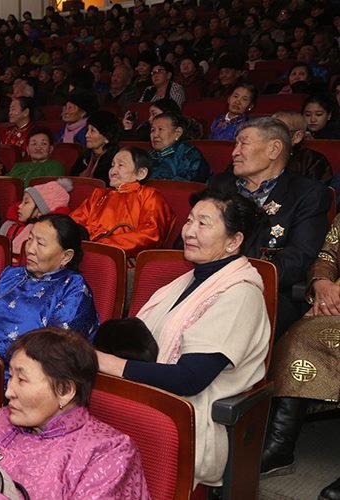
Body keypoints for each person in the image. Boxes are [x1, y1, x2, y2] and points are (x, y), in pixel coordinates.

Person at [97, 190, 271, 487]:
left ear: (234, 241)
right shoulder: (189, 280)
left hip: (186, 417)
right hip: (148, 396)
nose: (189, 231)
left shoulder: (240, 294)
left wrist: (107, 363)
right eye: (189, 220)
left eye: (203, 223)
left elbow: (189, 379)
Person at [0, 328, 148, 499]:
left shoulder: (110, 451)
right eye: (10, 377)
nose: (8, 391)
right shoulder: (3, 419)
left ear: (65, 390)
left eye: (21, 380)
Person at [209, 117, 330, 334]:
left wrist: (237, 280)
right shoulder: (220, 185)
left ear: (274, 149)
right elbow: (190, 236)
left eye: (243, 144)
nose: (234, 152)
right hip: (207, 281)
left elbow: (298, 257)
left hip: (267, 291)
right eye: (235, 144)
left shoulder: (307, 193)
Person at [261, 212, 340, 499]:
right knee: (299, 339)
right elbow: (327, 255)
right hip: (335, 307)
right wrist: (322, 284)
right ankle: (280, 448)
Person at [0, 214, 98, 376]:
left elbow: (53, 348)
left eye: (40, 244)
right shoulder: (11, 274)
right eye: (29, 239)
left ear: (66, 256)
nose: (30, 249)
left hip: (24, 377)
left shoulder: (74, 289)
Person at [70, 147, 176, 257]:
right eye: (112, 165)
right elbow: (73, 222)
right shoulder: (98, 194)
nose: (113, 171)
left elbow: (150, 234)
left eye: (120, 165)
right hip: (85, 252)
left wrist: (102, 245)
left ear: (141, 173)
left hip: (123, 257)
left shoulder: (149, 195)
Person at [0, 180, 72, 263]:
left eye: (26, 202)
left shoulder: (46, 235)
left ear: (40, 210)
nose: (19, 206)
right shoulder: (10, 226)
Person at [149, 113, 211, 182]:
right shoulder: (148, 155)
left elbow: (188, 184)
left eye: (160, 129)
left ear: (178, 132)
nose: (155, 135)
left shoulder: (189, 154)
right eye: (153, 130)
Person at [273, 111, 330, 183]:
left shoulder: (311, 159)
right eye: (266, 130)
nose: (269, 135)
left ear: (297, 136)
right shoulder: (261, 154)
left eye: (278, 131)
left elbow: (316, 188)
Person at [72, 111, 122, 182]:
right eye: (87, 130)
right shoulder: (84, 157)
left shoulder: (114, 161)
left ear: (107, 138)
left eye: (92, 131)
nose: (87, 135)